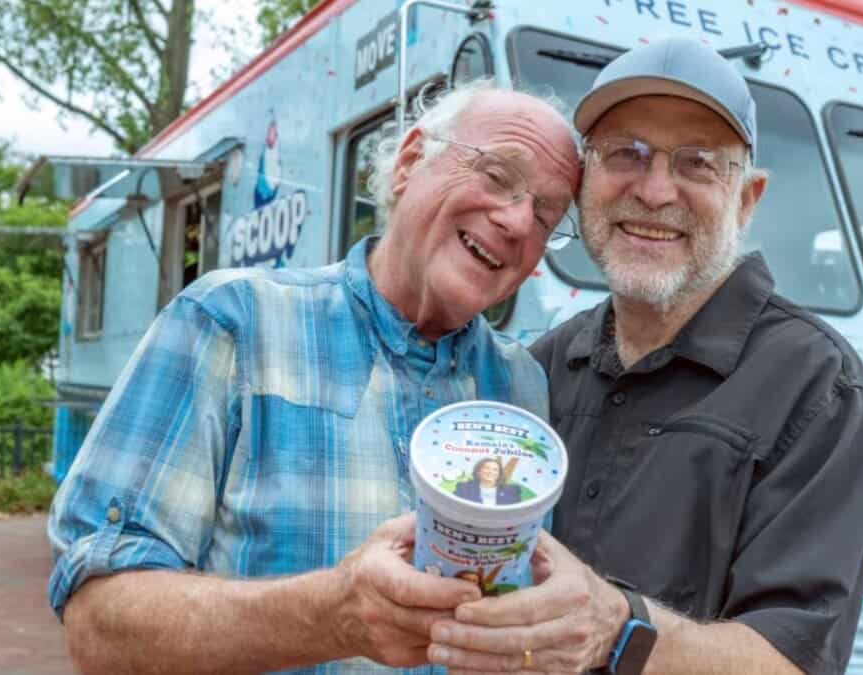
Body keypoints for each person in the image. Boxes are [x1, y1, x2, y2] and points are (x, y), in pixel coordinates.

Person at [46, 80, 581, 675]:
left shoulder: (523, 388)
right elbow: (96, 626)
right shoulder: (234, 323)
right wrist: (331, 614)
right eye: (497, 176)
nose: (516, 222)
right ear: (409, 163)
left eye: (546, 214)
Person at [425, 38, 863, 675]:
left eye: (698, 163)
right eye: (626, 153)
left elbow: (794, 664)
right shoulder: (537, 367)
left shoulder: (820, 388)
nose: (655, 190)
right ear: (585, 184)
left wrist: (620, 627)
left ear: (746, 200)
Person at [453, 457, 522, 505]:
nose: (490, 472)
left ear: (499, 474)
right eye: (486, 468)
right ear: (478, 471)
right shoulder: (464, 488)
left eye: (495, 470)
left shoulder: (512, 491)